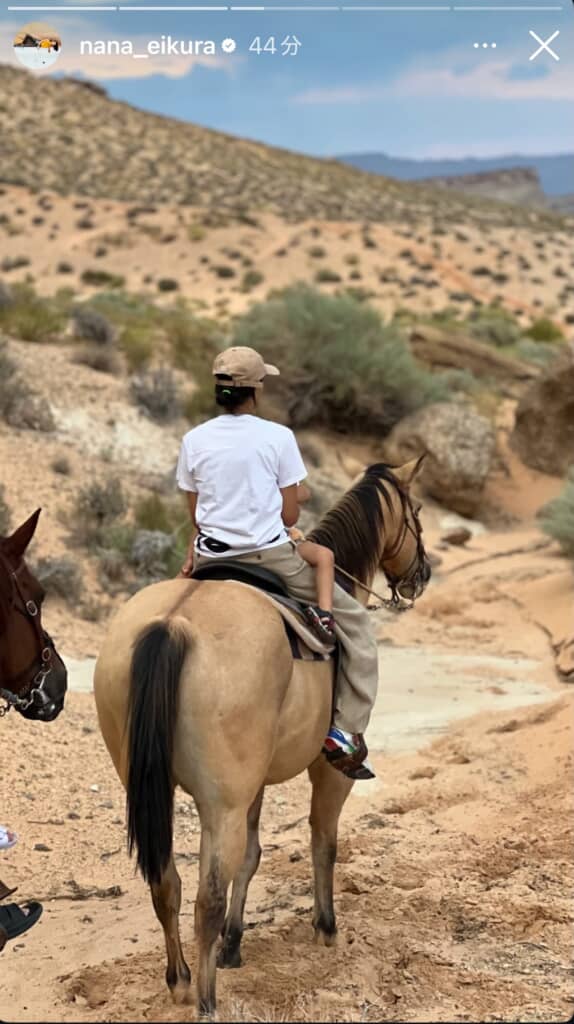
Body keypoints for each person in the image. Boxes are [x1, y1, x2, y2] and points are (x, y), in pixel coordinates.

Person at [176, 345, 377, 780]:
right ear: (255, 391)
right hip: (269, 557)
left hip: (210, 556)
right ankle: (346, 733)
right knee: (358, 623)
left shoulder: (194, 440)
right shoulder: (277, 437)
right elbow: (290, 517)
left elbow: (194, 514)